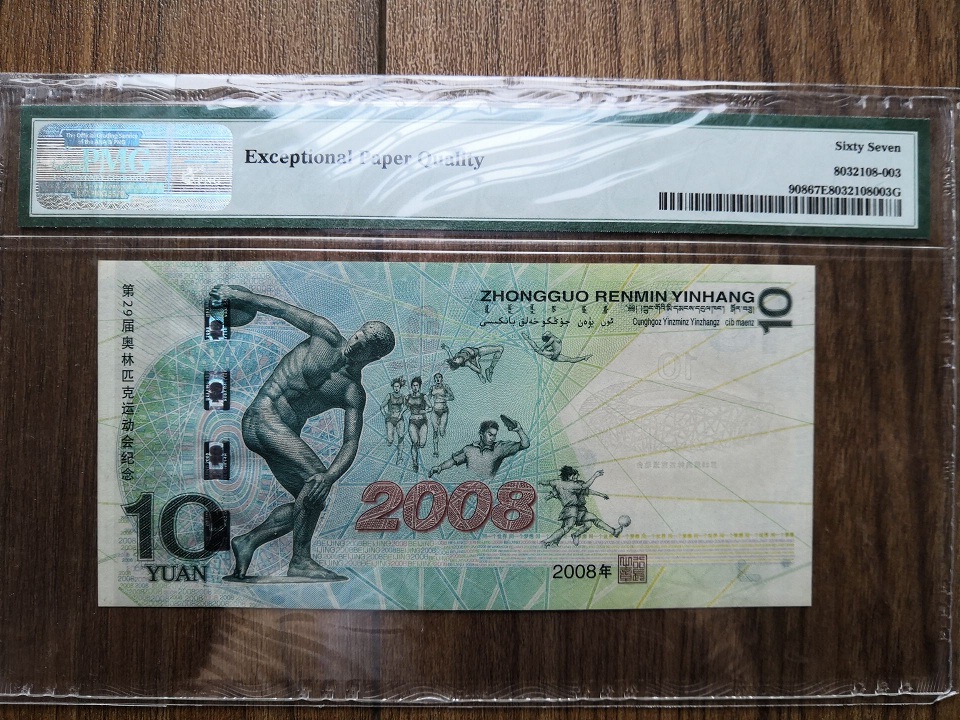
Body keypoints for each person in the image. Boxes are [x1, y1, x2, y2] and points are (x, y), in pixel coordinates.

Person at [211, 284, 395, 582]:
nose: (355, 343)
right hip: (262, 416)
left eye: (364, 345)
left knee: (310, 499)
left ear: (373, 357)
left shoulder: (352, 392)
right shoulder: (325, 334)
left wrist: (330, 477)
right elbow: (281, 309)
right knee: (314, 478)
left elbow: (350, 442)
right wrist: (241, 296)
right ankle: (300, 561)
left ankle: (248, 542)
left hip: (279, 433)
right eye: (358, 335)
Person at [429, 415, 529, 481]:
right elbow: (453, 461)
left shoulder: (500, 448)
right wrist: (440, 467)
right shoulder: (468, 449)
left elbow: (525, 445)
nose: (492, 438)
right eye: (490, 434)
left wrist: (519, 430)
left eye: (494, 435)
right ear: (481, 433)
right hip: (469, 488)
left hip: (489, 489)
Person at [540, 466, 621, 546]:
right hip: (571, 510)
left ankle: (613, 532)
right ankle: (547, 541)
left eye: (576, 476)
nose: (575, 478)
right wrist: (595, 475)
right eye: (574, 476)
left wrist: (540, 483)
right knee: (566, 528)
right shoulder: (572, 485)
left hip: (575, 510)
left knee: (590, 522)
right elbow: (585, 486)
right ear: (569, 475)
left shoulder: (557, 482)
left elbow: (547, 483)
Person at [427, 372, 455, 457]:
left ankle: (446, 444)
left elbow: (452, 397)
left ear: (442, 379)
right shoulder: (432, 388)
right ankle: (436, 450)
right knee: (435, 431)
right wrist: (427, 405)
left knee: (441, 431)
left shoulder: (445, 386)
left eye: (439, 377)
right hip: (435, 410)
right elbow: (428, 398)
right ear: (434, 379)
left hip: (444, 410)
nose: (438, 379)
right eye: (436, 377)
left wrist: (444, 398)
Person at [522, 330, 591, 363]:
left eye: (546, 333)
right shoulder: (552, 339)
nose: (546, 332)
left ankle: (584, 357)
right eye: (546, 333)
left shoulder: (553, 339)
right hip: (552, 354)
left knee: (571, 360)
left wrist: (543, 347)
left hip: (556, 356)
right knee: (537, 349)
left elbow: (546, 345)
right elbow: (545, 346)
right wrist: (543, 348)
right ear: (548, 336)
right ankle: (527, 338)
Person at [380, 377, 406, 464]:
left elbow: (406, 406)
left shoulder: (403, 396)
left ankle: (399, 457)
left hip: (399, 419)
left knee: (401, 436)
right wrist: (385, 415)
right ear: (393, 387)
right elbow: (382, 406)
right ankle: (389, 440)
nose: (396, 388)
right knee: (390, 440)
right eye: (395, 386)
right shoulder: (389, 395)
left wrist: (401, 413)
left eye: (398, 386)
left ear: (400, 387)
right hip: (390, 419)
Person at [405, 376, 429, 472]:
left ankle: (416, 455)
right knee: (414, 442)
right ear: (411, 386)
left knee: (422, 444)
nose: (415, 387)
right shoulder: (408, 397)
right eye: (413, 385)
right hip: (413, 422)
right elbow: (405, 407)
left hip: (423, 421)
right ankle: (415, 463)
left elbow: (430, 407)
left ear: (419, 386)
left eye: (417, 385)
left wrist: (425, 411)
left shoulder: (424, 396)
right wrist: (399, 414)